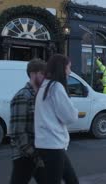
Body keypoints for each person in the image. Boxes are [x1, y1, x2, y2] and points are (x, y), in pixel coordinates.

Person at [34, 54, 79, 184]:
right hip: (53, 145)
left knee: (72, 181)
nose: (70, 72)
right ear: (62, 68)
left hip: (46, 144)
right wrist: (74, 111)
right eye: (69, 68)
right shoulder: (56, 88)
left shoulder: (45, 86)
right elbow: (70, 117)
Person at [9, 58, 46, 184]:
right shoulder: (22, 96)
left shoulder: (39, 95)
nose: (45, 77)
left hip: (38, 152)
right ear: (33, 74)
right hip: (24, 155)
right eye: (42, 74)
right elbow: (17, 132)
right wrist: (33, 153)